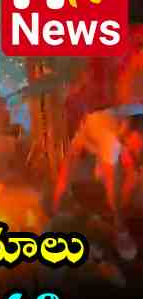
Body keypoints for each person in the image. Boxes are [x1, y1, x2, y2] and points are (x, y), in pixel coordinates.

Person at [53, 107, 143, 261]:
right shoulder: (109, 141)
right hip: (95, 132)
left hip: (98, 127)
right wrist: (120, 228)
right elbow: (111, 188)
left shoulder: (128, 119)